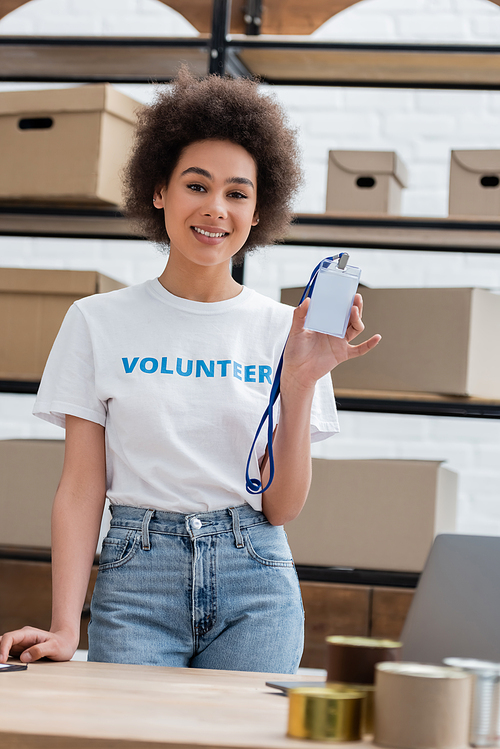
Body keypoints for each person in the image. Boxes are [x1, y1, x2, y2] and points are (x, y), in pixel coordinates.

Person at [0, 69, 380, 673]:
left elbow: (280, 509)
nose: (215, 209)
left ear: (259, 213)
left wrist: (301, 383)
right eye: (196, 185)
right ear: (160, 192)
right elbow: (80, 487)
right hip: (136, 578)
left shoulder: (292, 333)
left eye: (237, 193)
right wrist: (66, 625)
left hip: (255, 581)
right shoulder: (96, 321)